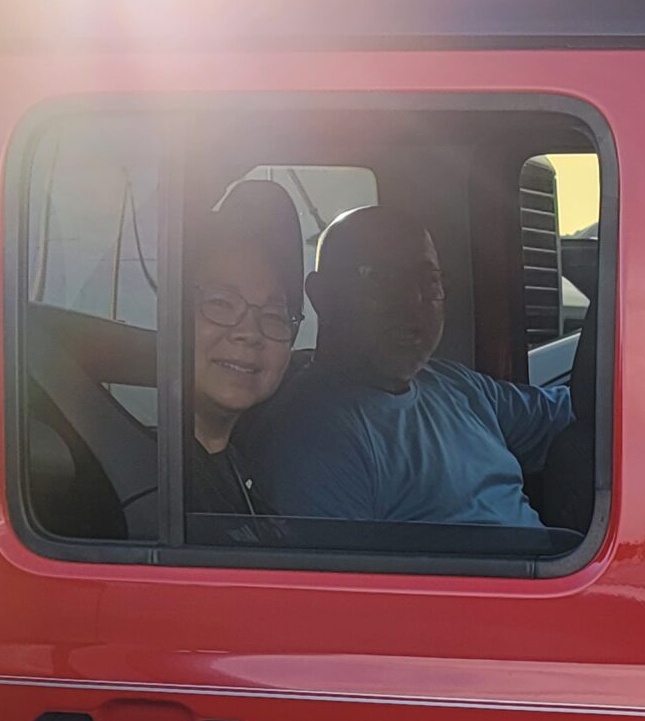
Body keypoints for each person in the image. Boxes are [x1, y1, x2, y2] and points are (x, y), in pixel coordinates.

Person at [247, 204, 571, 527]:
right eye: (381, 277)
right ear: (322, 295)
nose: (412, 300)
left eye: (429, 281)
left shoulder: (454, 385)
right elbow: (341, 578)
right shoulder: (314, 442)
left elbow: (577, 412)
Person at [184, 180, 307, 516]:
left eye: (273, 315)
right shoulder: (143, 475)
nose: (250, 332)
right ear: (173, 315)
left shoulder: (237, 464)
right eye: (222, 303)